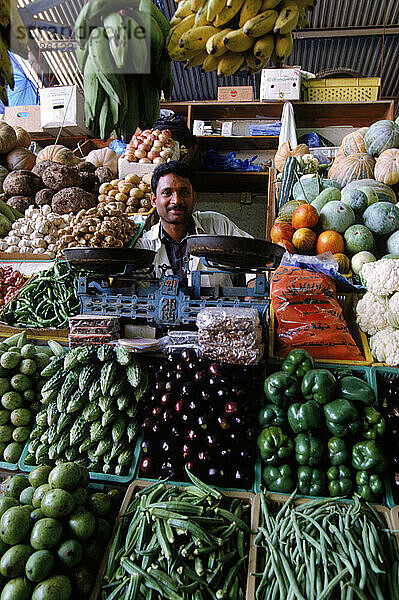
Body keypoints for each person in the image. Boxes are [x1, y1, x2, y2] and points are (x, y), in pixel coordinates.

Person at [135, 161, 253, 287]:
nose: (176, 201)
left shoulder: (217, 225)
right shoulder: (145, 247)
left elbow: (253, 253)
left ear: (194, 197)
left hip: (219, 306)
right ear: (154, 200)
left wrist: (253, 284)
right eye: (167, 193)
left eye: (184, 192)